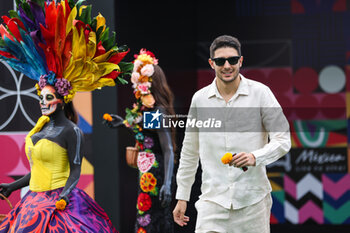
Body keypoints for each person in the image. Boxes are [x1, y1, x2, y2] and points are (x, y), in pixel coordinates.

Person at [0, 0, 131, 232]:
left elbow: (75, 170)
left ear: (62, 99)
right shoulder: (39, 127)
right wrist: (12, 186)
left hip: (58, 204)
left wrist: (63, 197)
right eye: (41, 98)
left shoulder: (71, 131)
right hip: (33, 201)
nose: (43, 103)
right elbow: (37, 171)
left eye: (49, 98)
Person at [172, 35, 291, 233]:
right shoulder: (200, 99)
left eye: (232, 60)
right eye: (220, 61)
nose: (227, 65)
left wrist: (255, 157)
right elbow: (190, 152)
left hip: (253, 202)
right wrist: (182, 196)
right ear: (211, 63)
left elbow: (283, 139)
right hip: (212, 202)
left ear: (240, 61)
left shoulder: (261, 93)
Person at [104, 49, 176, 233]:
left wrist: (167, 184)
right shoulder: (147, 112)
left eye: (142, 80)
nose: (138, 85)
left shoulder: (158, 111)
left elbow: (168, 149)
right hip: (145, 172)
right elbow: (143, 127)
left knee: (153, 218)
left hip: (156, 174)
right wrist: (123, 123)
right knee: (146, 216)